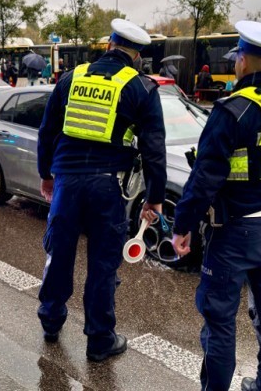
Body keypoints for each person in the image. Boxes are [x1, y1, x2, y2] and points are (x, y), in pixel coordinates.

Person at [171, 20, 261, 391]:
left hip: (232, 232)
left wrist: (183, 226)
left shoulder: (234, 110)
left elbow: (204, 178)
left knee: (220, 322)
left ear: (243, 61)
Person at [37, 19, 167, 362]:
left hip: (66, 181)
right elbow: (154, 149)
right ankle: (99, 340)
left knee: (59, 252)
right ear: (136, 56)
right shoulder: (141, 87)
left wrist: (46, 175)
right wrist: (154, 199)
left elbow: (47, 131)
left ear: (108, 45)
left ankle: (50, 320)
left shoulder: (71, 78)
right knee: (103, 264)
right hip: (108, 186)